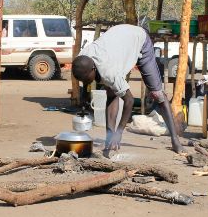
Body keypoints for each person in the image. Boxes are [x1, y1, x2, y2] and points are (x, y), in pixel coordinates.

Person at [71, 24, 185, 156]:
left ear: (93, 69)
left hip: (139, 39)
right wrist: (84, 93)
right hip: (119, 36)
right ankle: (109, 139)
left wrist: (119, 132)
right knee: (111, 92)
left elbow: (129, 101)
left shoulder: (109, 72)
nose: (84, 82)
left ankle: (175, 141)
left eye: (86, 79)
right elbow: (88, 78)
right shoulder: (82, 57)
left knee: (157, 94)